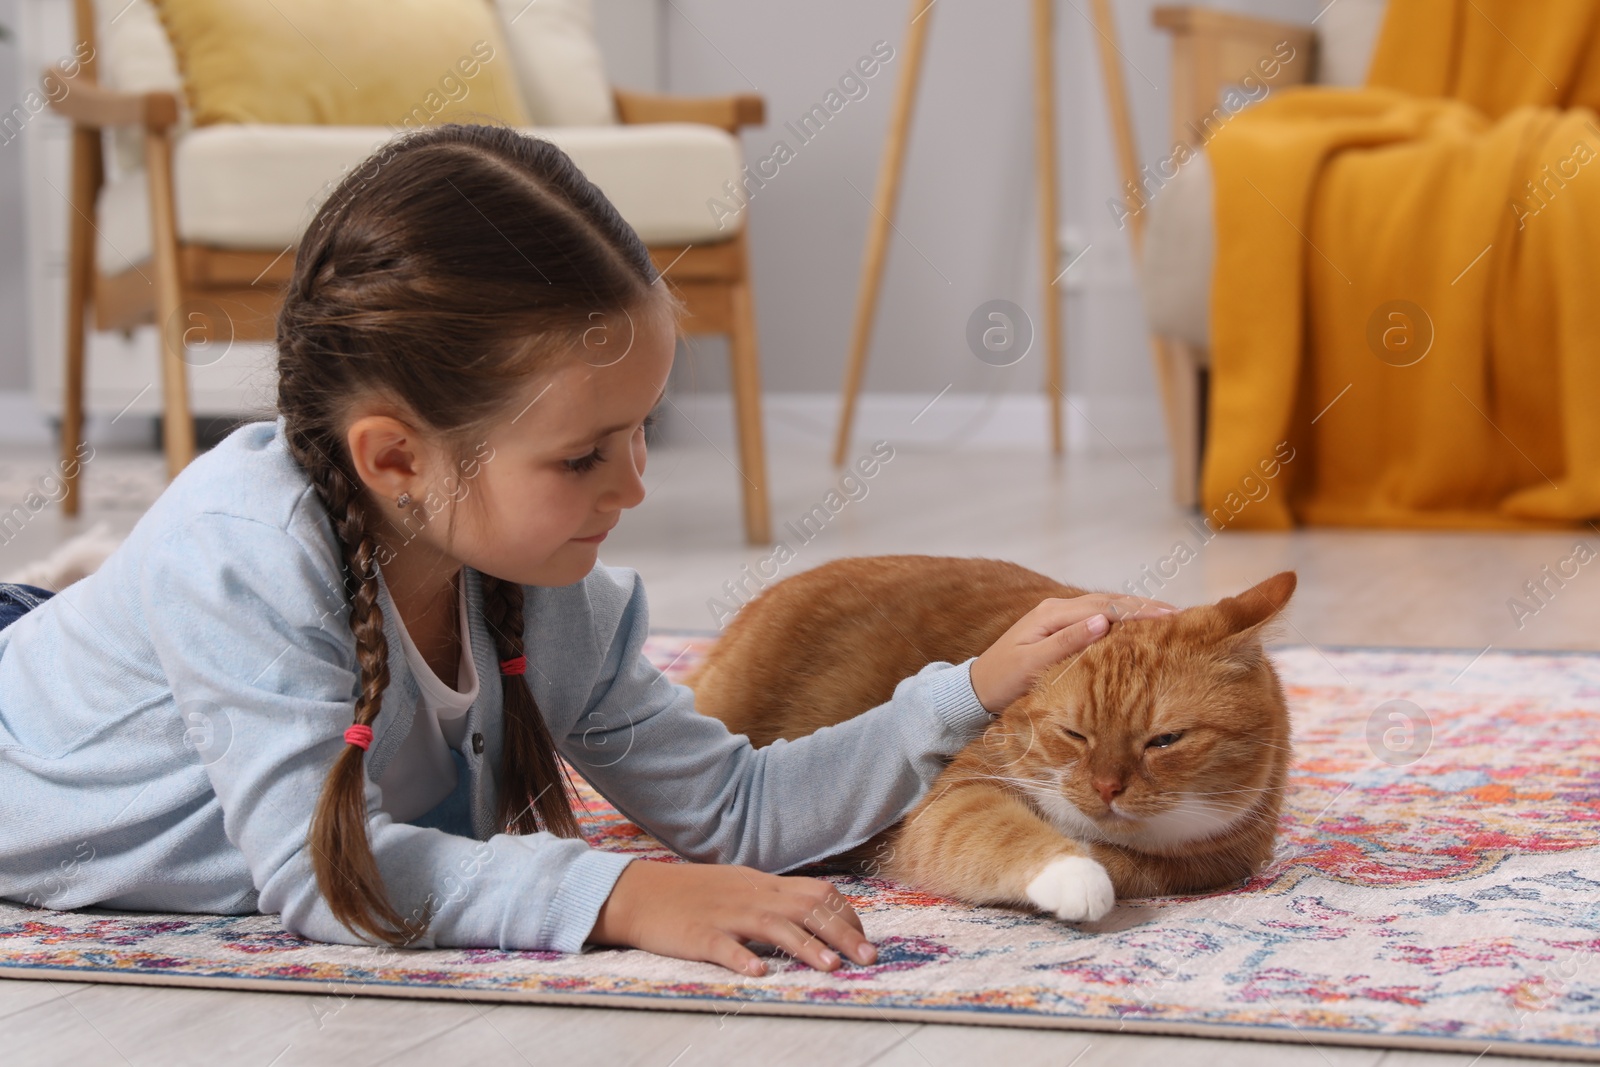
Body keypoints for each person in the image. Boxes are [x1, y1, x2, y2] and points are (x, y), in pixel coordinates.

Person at [0, 124, 1172, 977]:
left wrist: (969, 691)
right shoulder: (239, 553)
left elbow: (734, 805)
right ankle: (81, 593)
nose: (635, 484)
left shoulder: (548, 591)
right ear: (397, 460)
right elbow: (324, 877)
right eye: (581, 456)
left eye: (642, 430)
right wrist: (624, 894)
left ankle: (84, 594)